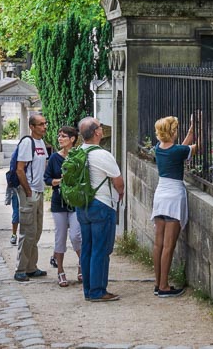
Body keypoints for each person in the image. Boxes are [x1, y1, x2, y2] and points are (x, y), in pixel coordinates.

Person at [76, 116, 124, 302]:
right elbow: (118, 181)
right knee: (101, 249)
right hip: (102, 204)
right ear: (96, 132)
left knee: (87, 248)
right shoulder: (102, 154)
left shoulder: (78, 152)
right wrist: (120, 193)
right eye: (100, 126)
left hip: (83, 205)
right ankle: (98, 291)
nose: (102, 128)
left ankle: (88, 290)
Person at [151, 114, 198, 297]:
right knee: (169, 246)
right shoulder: (176, 151)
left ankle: (157, 283)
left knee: (158, 244)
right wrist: (201, 131)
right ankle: (164, 287)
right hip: (174, 196)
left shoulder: (159, 148)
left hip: (160, 195)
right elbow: (193, 148)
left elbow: (183, 148)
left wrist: (191, 130)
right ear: (172, 132)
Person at [13, 113, 50, 282]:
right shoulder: (28, 143)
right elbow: (20, 169)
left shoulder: (41, 142)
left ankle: (31, 267)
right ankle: (20, 268)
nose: (44, 127)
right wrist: (28, 191)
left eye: (45, 124)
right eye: (41, 124)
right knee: (27, 231)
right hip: (29, 192)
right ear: (32, 127)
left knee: (36, 231)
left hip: (39, 191)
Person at [44, 126, 83, 287]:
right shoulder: (54, 158)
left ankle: (82, 266)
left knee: (76, 236)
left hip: (74, 203)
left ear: (72, 139)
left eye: (63, 136)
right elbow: (47, 179)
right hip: (58, 203)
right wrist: (61, 181)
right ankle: (60, 271)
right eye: (59, 136)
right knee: (60, 237)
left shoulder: (79, 157)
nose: (60, 139)